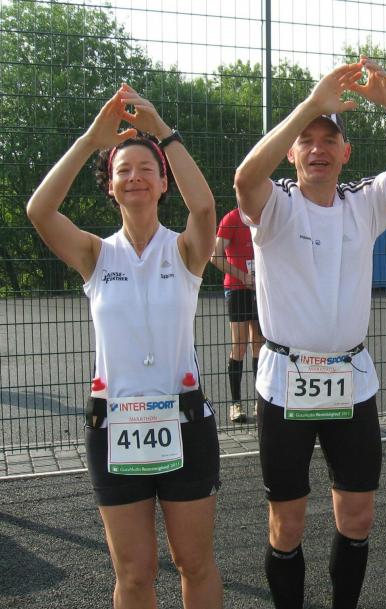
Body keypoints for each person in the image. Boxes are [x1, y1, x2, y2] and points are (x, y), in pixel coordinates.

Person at [233, 53, 386, 609]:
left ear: (346, 152)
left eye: (330, 139)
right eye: (307, 139)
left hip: (351, 380)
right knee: (287, 522)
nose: (318, 148)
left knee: (358, 515)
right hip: (286, 383)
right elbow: (245, 178)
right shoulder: (275, 205)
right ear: (293, 151)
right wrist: (310, 105)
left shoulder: (363, 203)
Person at [26, 84, 221, 608]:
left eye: (146, 169)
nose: (135, 176)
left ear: (163, 182)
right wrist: (92, 141)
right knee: (135, 573)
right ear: (111, 187)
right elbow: (39, 210)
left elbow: (205, 207)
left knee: (194, 562)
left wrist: (164, 133)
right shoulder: (95, 254)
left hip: (185, 423)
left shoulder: (185, 250)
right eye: (123, 170)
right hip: (115, 428)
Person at [210, 207, 265, 422]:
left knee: (259, 345)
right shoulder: (231, 218)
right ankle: (235, 404)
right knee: (239, 346)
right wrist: (243, 276)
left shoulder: (265, 216)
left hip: (260, 289)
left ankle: (260, 402)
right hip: (237, 288)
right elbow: (215, 257)